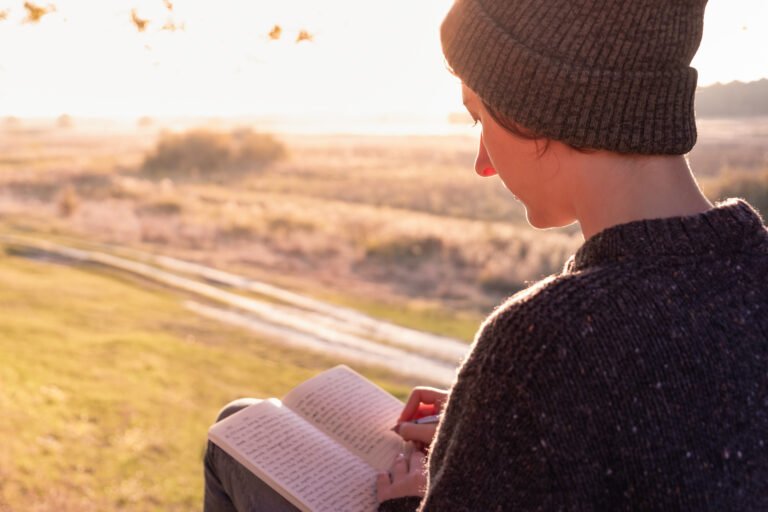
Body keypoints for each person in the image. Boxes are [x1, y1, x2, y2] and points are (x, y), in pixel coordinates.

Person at [205, 0, 768, 510]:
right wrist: (497, 432)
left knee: (233, 434)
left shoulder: (550, 341)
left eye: (481, 118)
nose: (482, 163)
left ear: (537, 112)